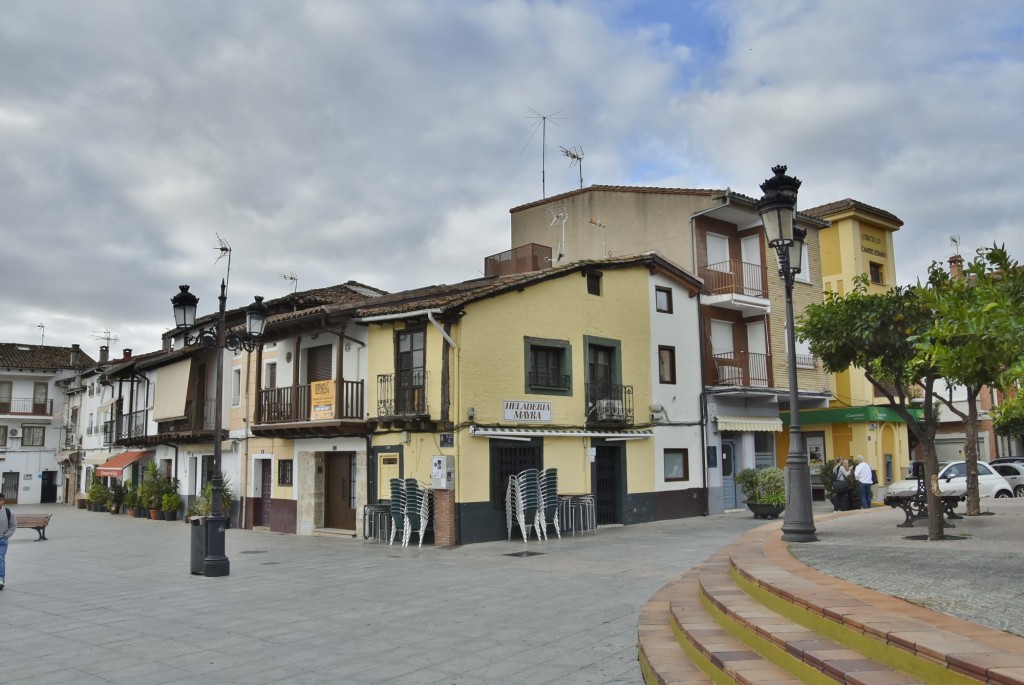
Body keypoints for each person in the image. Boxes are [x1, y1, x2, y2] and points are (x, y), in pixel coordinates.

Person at [0, 492, 15, 589]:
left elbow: (13, 526)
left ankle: (1, 579)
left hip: (2, 540)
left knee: (0, 558)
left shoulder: (8, 512)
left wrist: (6, 536)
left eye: (0, 500)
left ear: (3, 501)